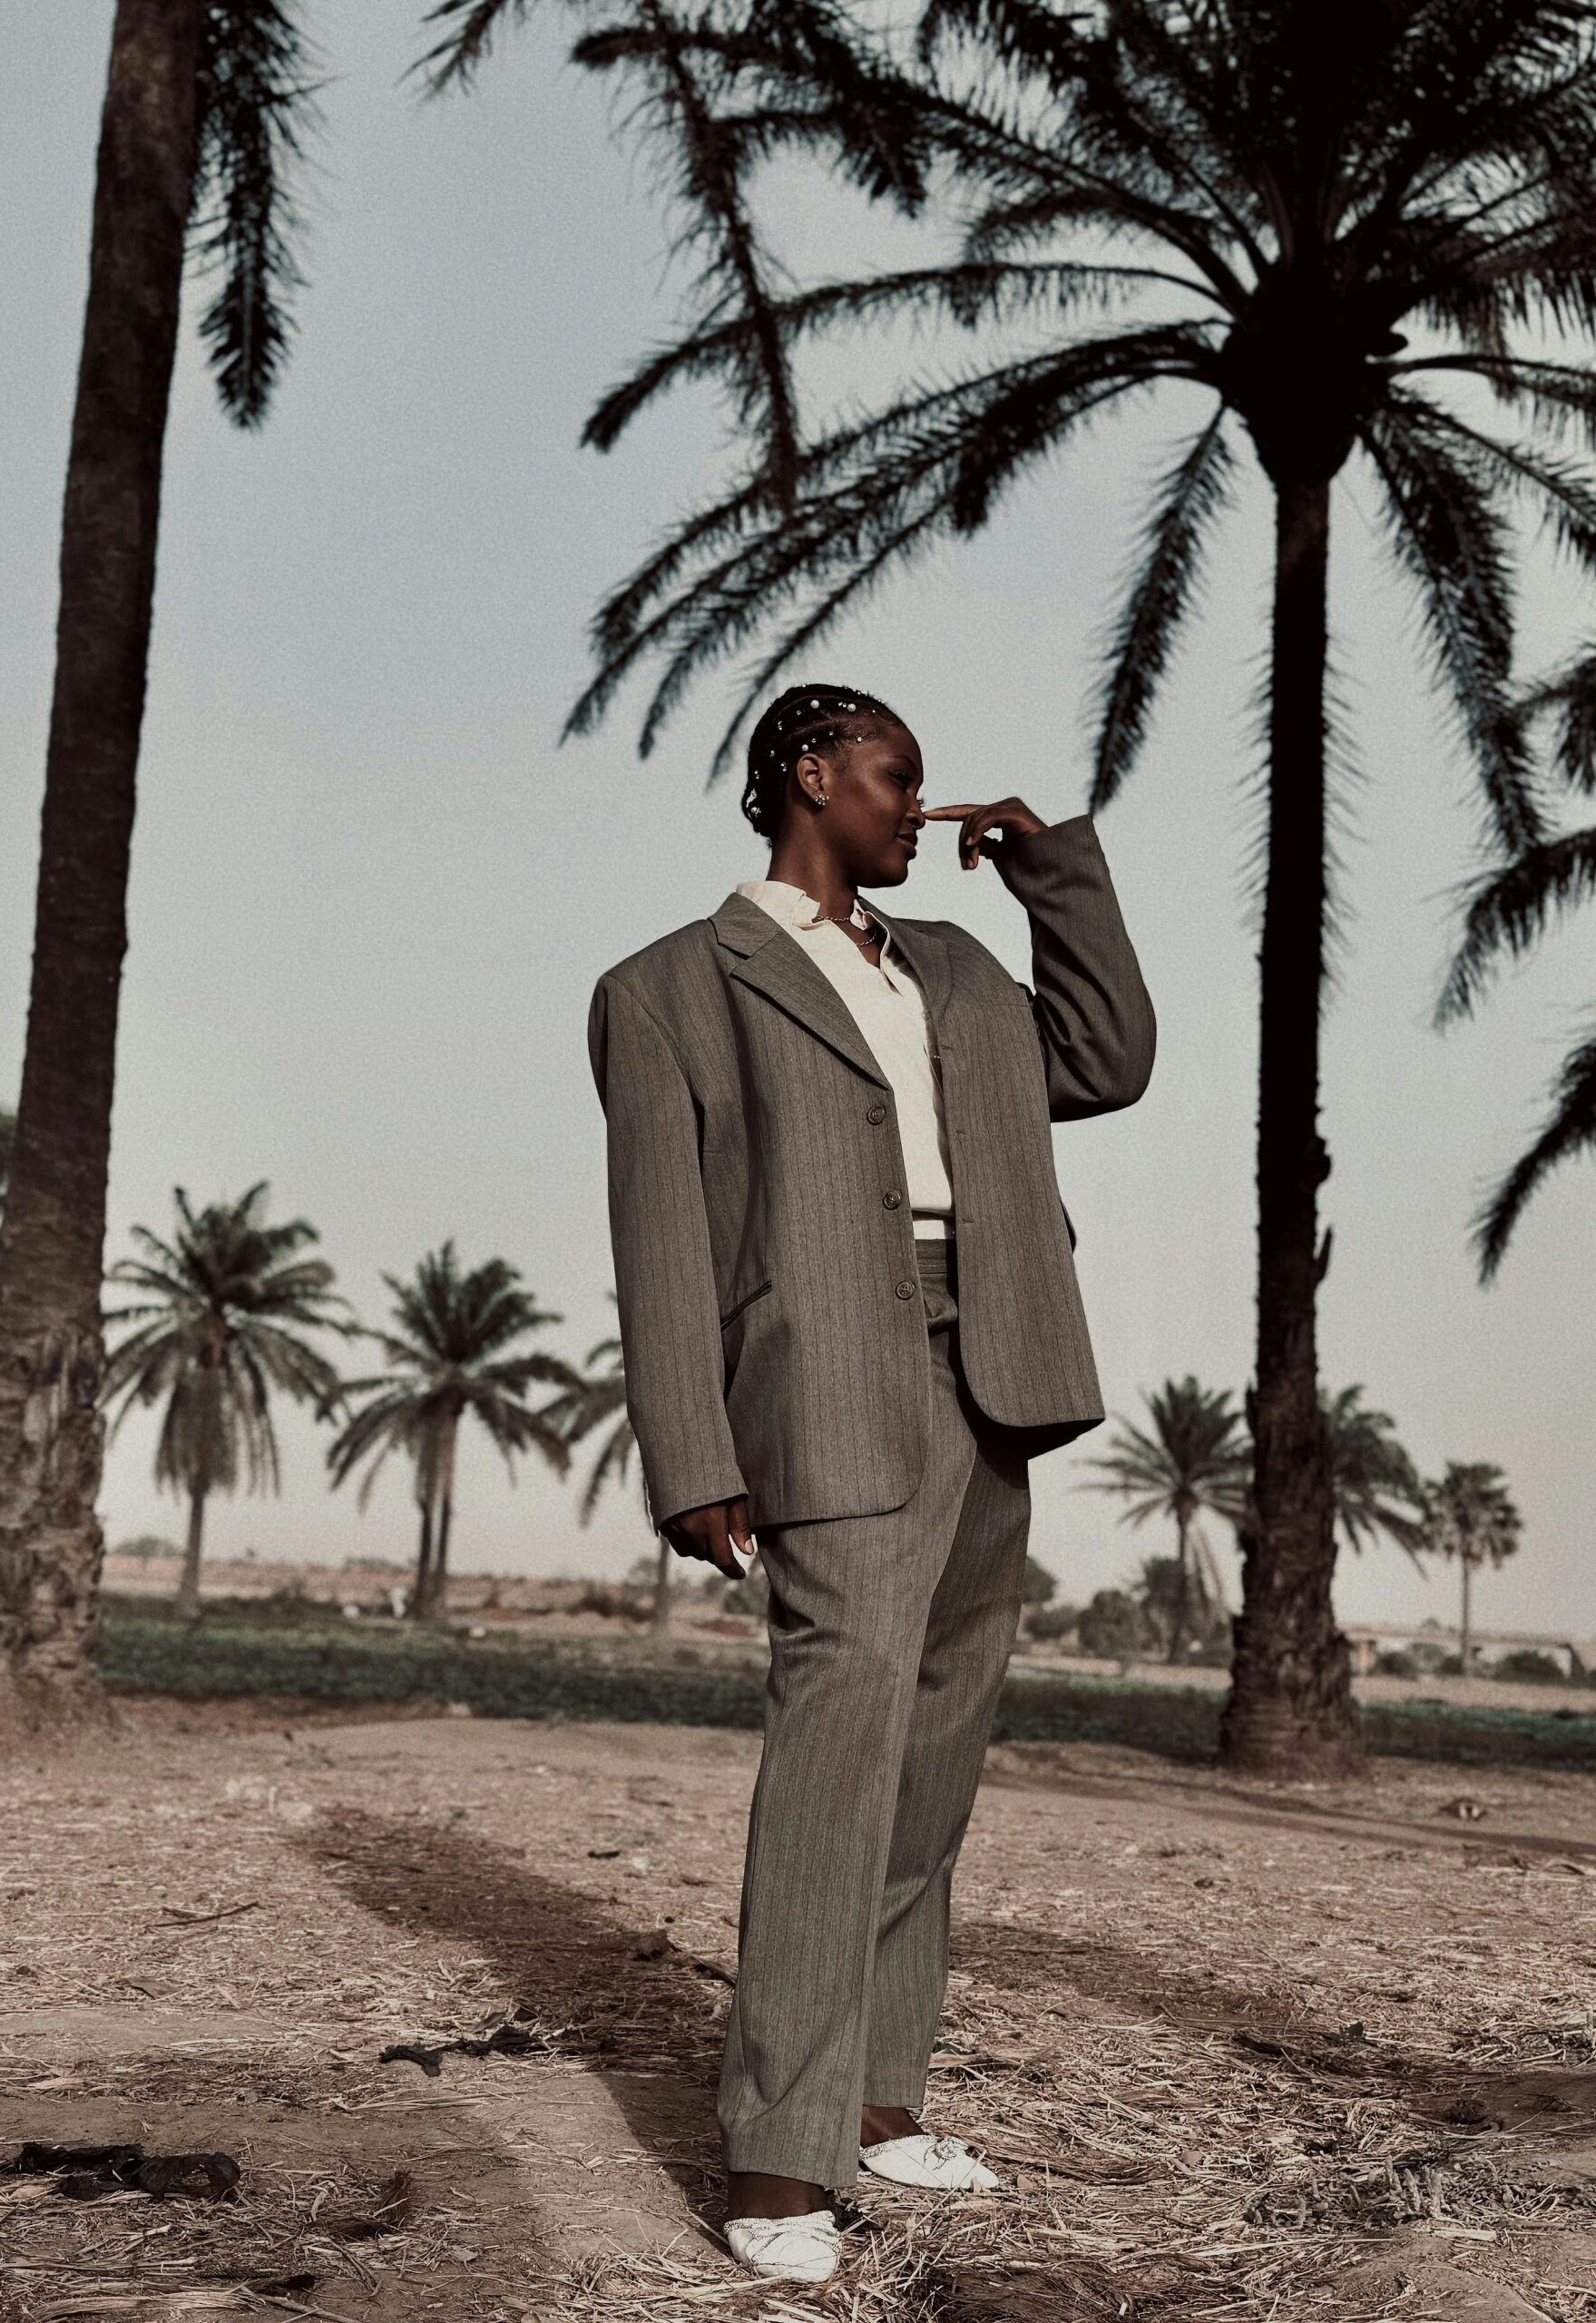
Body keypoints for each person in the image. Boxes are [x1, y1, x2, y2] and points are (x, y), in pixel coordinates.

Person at [587, 683, 1155, 2283]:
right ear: (813, 775)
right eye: (899, 777)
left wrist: (1055, 877)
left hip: (996, 1368)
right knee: (840, 1757)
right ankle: (777, 2160)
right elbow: (661, 1242)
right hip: (829, 1379)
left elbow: (1109, 1062)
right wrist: (692, 1452)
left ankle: (883, 2103)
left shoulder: (961, 972)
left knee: (934, 1762)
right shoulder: (673, 987)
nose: (921, 803)